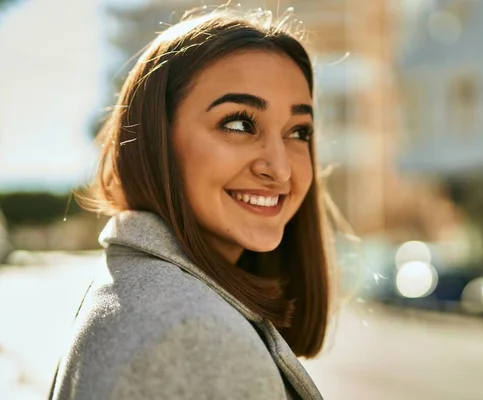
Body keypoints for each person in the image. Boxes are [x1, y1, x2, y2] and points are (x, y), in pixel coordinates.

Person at [49, 7, 335, 400]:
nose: (281, 169)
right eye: (239, 124)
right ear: (156, 140)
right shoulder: (194, 337)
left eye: (298, 131)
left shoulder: (138, 289)